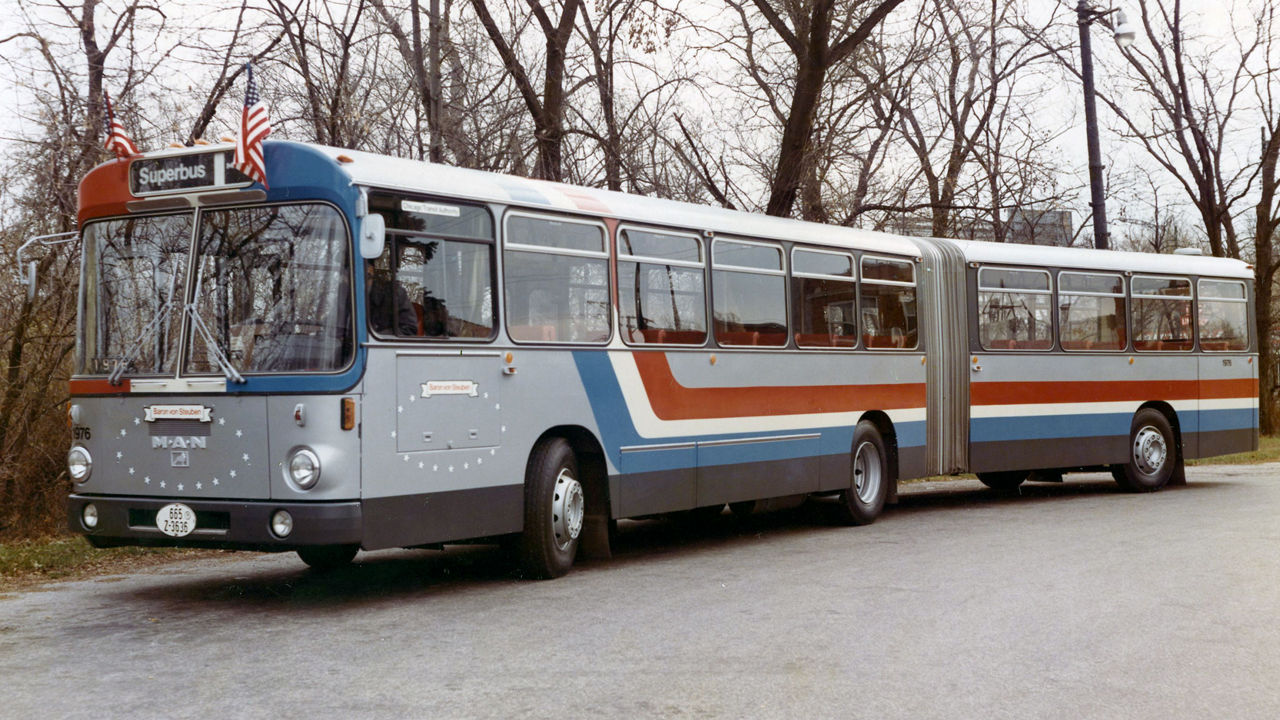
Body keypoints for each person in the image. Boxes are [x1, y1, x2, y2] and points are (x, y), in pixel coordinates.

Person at [367, 261, 418, 335]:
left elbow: (409, 329)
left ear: (370, 270)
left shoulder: (394, 294)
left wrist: (376, 336)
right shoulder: (347, 294)